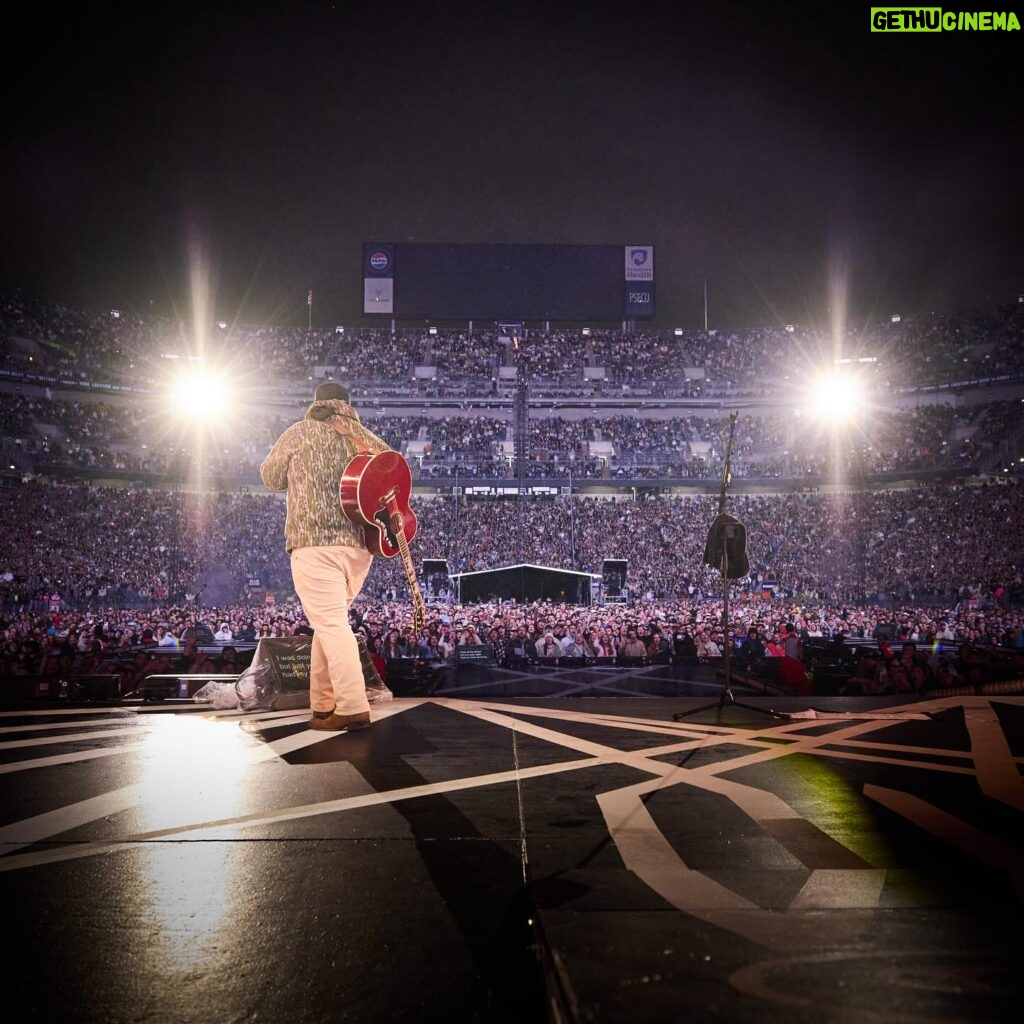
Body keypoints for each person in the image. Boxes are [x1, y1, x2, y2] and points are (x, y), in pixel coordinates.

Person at [260, 381, 390, 731]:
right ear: (347, 405)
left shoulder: (300, 432)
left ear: (316, 404)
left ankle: (351, 706)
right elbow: (393, 473)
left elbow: (271, 478)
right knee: (328, 624)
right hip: (360, 549)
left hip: (315, 544)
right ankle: (322, 706)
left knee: (332, 625)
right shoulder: (364, 438)